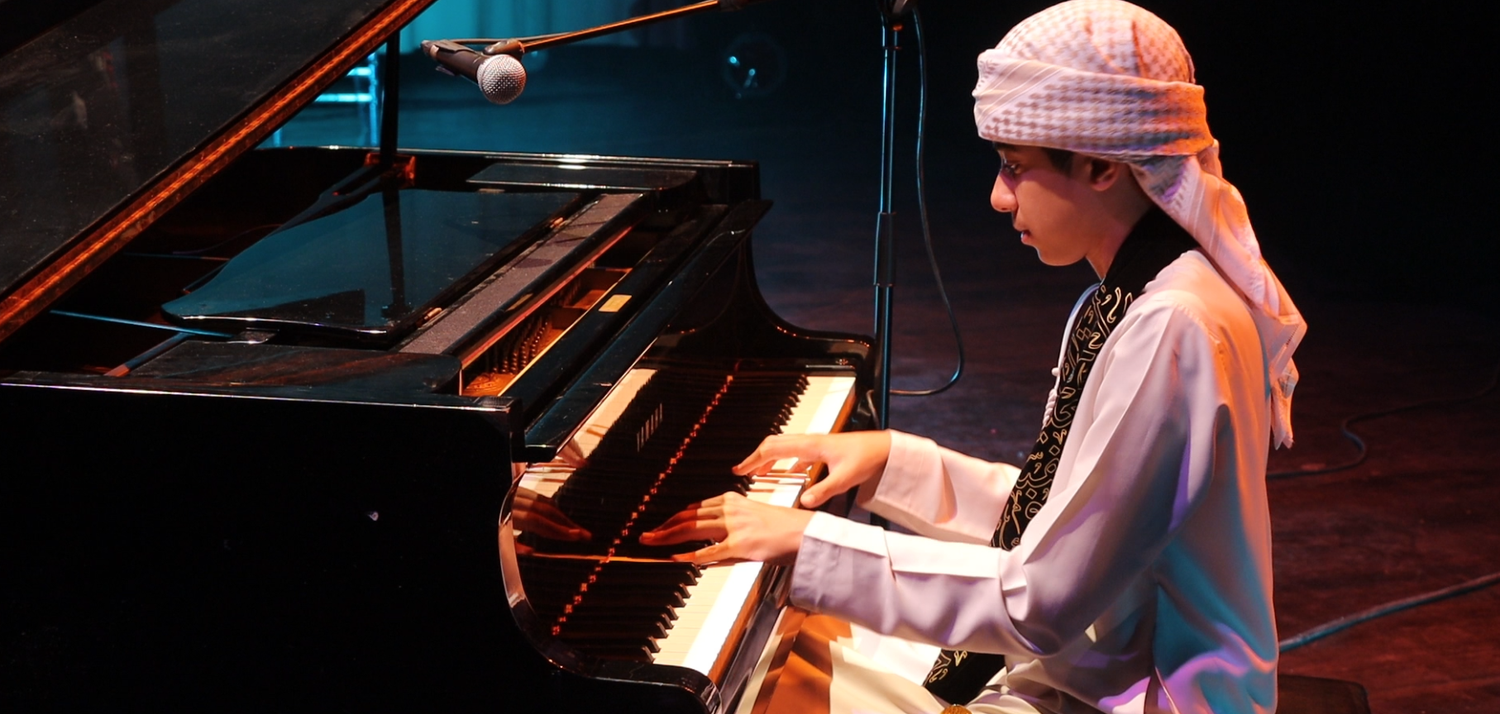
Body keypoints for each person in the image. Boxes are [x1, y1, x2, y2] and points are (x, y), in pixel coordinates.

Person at [640, 1, 1306, 712]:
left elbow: (1040, 602)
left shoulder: (1173, 325)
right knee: (790, 641)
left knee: (764, 685)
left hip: (1131, 692)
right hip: (1088, 657)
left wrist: (810, 544)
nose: (996, 195)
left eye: (1016, 168)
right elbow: (1061, 519)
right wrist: (893, 462)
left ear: (1102, 166)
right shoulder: (1143, 295)